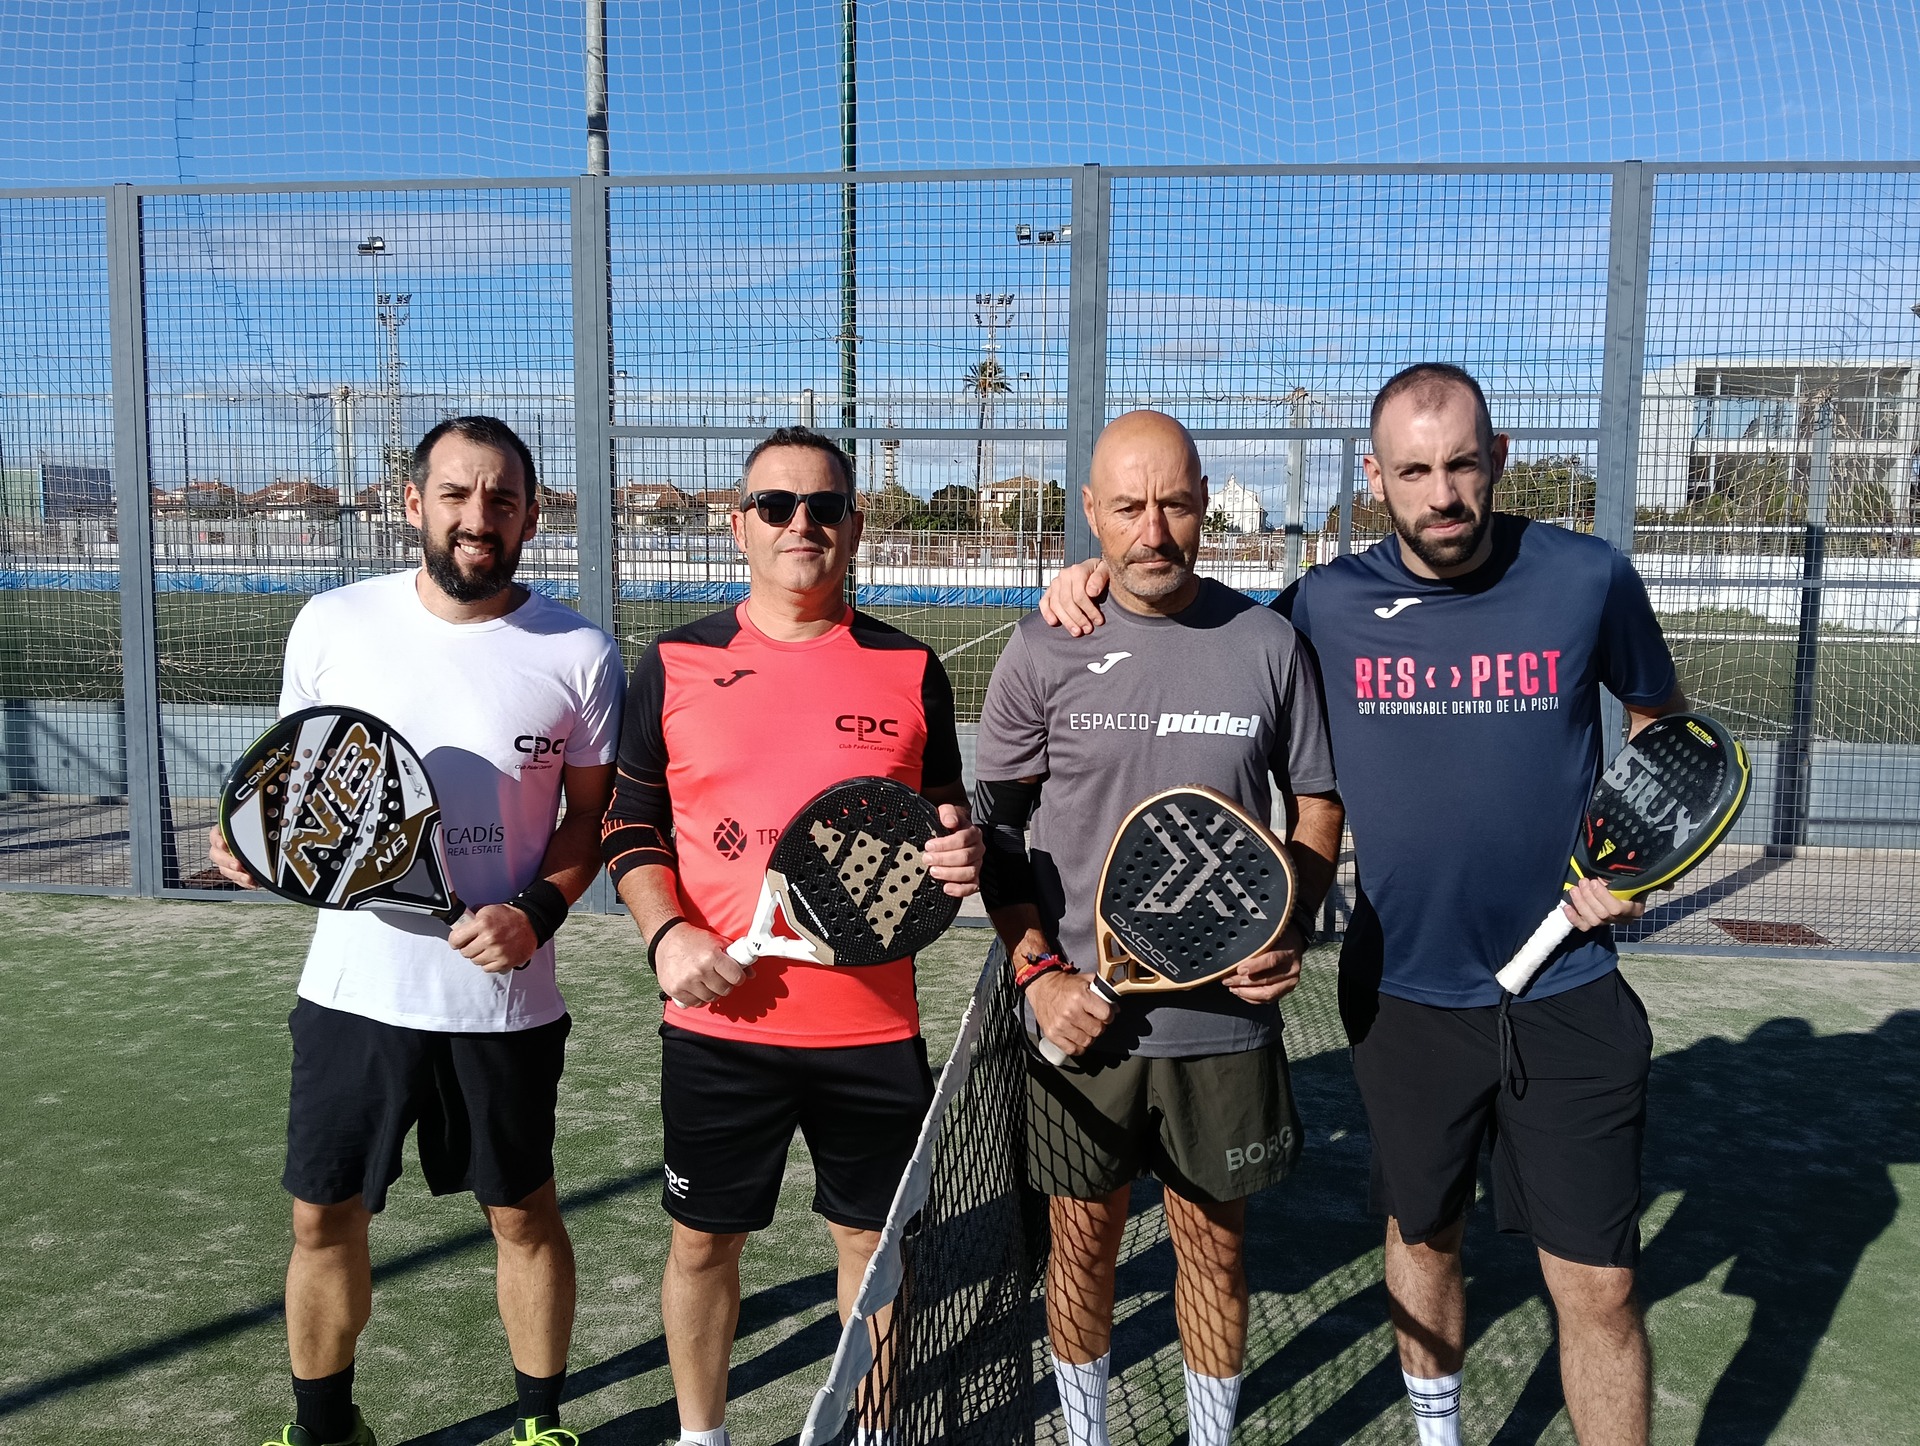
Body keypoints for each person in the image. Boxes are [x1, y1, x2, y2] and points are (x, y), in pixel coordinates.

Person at [1040, 365, 1685, 1446]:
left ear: (1499, 458)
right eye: (1415, 472)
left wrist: (1640, 858)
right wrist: (1095, 577)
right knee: (1423, 1239)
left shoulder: (1589, 578)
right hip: (1405, 996)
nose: (1444, 494)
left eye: (1463, 465)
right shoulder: (1328, 604)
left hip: (1569, 987)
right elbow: (1203, 630)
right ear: (1377, 479)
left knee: (1601, 1286)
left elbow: (1662, 723)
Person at [208, 416, 623, 1446]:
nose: (479, 516)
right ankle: (325, 1431)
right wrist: (253, 848)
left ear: (531, 515)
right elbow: (297, 787)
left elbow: (591, 818)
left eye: (501, 498)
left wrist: (536, 913)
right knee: (323, 1217)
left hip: (505, 1002)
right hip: (353, 996)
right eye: (456, 494)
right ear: (413, 504)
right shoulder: (333, 623)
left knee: (522, 1214)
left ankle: (538, 1426)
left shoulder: (580, 652)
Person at [598, 426, 984, 1446]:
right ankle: (702, 1438)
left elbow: (942, 820)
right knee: (702, 1246)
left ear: (853, 526)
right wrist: (667, 935)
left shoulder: (911, 667)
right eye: (776, 505)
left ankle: (872, 1433)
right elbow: (629, 824)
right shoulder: (674, 661)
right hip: (720, 1031)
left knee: (872, 1249)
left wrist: (961, 853)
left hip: (871, 1030)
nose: (800, 523)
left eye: (823, 506)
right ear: (740, 526)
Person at [974, 410, 1344, 1446]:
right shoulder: (1042, 646)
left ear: (1204, 504)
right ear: (1090, 512)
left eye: (1175, 504)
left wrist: (1289, 917)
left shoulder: (1268, 643)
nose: (1154, 530)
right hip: (1079, 1024)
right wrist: (1039, 973)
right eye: (1129, 506)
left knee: (1214, 1254)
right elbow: (998, 833)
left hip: (1223, 1023)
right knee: (1081, 1249)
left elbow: (1317, 802)